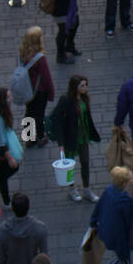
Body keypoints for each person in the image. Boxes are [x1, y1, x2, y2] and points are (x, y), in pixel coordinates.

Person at [88, 165, 133, 264]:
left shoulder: (108, 190)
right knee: (125, 262)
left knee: (118, 259)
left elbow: (98, 207)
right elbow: (129, 223)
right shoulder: (125, 201)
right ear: (124, 183)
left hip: (106, 232)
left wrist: (93, 223)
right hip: (120, 238)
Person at [54, 74, 101, 204]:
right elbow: (58, 120)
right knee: (70, 165)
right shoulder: (65, 100)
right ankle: (72, 189)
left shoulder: (85, 98)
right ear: (75, 87)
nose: (86, 88)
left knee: (85, 163)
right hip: (71, 138)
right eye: (82, 86)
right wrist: (61, 143)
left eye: (86, 85)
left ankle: (86, 189)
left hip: (83, 137)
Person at [0, 85, 24, 207]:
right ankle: (3, 199)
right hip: (2, 154)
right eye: (8, 97)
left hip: (1, 153)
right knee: (4, 175)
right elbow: (0, 142)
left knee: (2, 176)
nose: (11, 99)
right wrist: (10, 158)